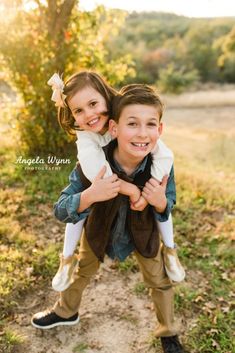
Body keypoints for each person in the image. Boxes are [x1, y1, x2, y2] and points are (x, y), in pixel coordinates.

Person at [31, 84, 187, 353]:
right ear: (114, 128)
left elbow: (168, 203)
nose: (141, 133)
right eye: (132, 124)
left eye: (150, 124)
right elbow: (61, 209)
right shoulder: (93, 162)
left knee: (160, 280)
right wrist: (89, 196)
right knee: (80, 270)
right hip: (100, 229)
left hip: (143, 233)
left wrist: (159, 200)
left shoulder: (160, 165)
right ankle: (66, 311)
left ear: (159, 131)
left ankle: (168, 333)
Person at [47, 72, 185, 292]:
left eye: (93, 103)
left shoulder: (126, 116)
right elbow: (97, 173)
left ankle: (169, 248)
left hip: (143, 176)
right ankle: (66, 258)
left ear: (105, 96)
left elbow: (162, 151)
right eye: (79, 111)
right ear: (72, 115)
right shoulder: (85, 134)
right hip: (103, 179)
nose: (89, 115)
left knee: (162, 191)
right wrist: (131, 190)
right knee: (81, 202)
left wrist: (152, 191)